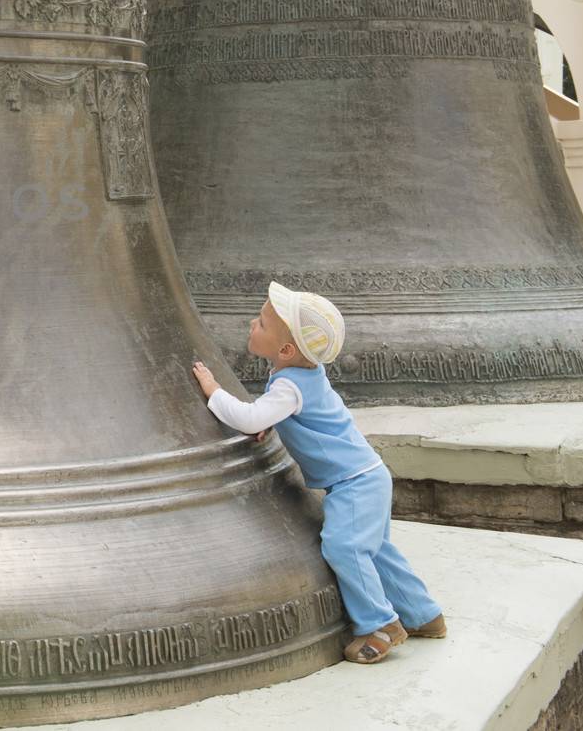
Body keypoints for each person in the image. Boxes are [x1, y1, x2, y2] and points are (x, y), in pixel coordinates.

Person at [189, 281, 446, 664]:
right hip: (369, 474)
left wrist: (213, 391)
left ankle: (381, 626)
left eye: (260, 324)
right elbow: (299, 417)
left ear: (286, 350)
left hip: (354, 483)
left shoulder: (290, 385)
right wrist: (272, 424)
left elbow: (250, 416)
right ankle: (424, 615)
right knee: (376, 552)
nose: (251, 324)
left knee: (344, 547)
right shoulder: (304, 376)